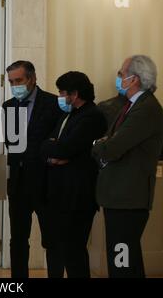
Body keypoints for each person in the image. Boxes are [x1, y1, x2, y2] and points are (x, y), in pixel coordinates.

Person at [92, 55, 163, 278]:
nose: (120, 78)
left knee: (121, 261)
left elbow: (111, 147)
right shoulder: (134, 105)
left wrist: (97, 144)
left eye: (122, 74)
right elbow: (112, 142)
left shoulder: (146, 109)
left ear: (134, 79)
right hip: (120, 196)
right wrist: (105, 144)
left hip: (128, 197)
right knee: (128, 258)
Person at [40, 72, 107, 278]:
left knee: (75, 250)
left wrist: (59, 152)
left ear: (75, 94)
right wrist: (55, 152)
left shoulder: (91, 116)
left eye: (62, 92)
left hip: (78, 195)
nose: (59, 96)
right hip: (62, 192)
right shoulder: (69, 114)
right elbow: (46, 144)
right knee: (65, 247)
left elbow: (64, 149)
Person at [3, 61, 63, 278]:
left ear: (32, 79)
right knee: (18, 240)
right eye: (11, 82)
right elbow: (11, 144)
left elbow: (57, 141)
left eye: (18, 80)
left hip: (46, 183)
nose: (15, 85)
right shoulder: (8, 106)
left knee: (52, 238)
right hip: (18, 184)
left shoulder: (54, 104)